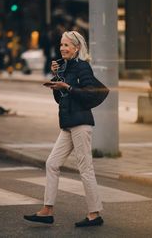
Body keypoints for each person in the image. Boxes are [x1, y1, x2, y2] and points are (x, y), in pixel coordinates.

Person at [24, 30, 104, 227]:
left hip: (81, 124)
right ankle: (47, 211)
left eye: (67, 45)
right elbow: (61, 100)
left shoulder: (83, 67)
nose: (62, 48)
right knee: (52, 163)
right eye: (61, 45)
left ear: (76, 48)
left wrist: (67, 87)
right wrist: (57, 78)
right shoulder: (65, 69)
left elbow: (88, 94)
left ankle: (94, 214)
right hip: (68, 124)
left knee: (85, 168)